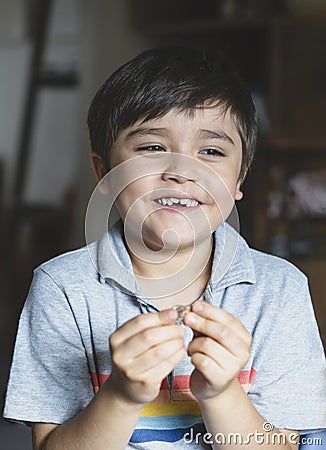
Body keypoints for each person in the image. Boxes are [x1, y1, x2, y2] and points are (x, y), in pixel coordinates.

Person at [3, 46, 326, 450]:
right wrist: (121, 395)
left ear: (240, 178)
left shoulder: (279, 291)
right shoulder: (63, 288)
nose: (181, 172)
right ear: (104, 173)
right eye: (153, 147)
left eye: (211, 152)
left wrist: (222, 392)